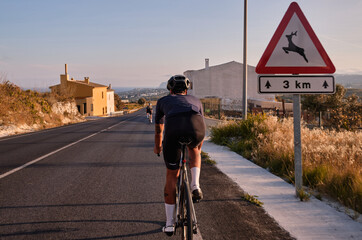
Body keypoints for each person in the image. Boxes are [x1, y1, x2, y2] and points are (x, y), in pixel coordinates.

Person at [154, 75, 206, 236]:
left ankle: (169, 224)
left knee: (171, 175)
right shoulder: (196, 100)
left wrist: (158, 147)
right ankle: (195, 185)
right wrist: (197, 148)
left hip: (174, 131)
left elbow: (159, 130)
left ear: (170, 89)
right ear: (187, 89)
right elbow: (201, 126)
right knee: (195, 150)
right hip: (196, 128)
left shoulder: (163, 101)